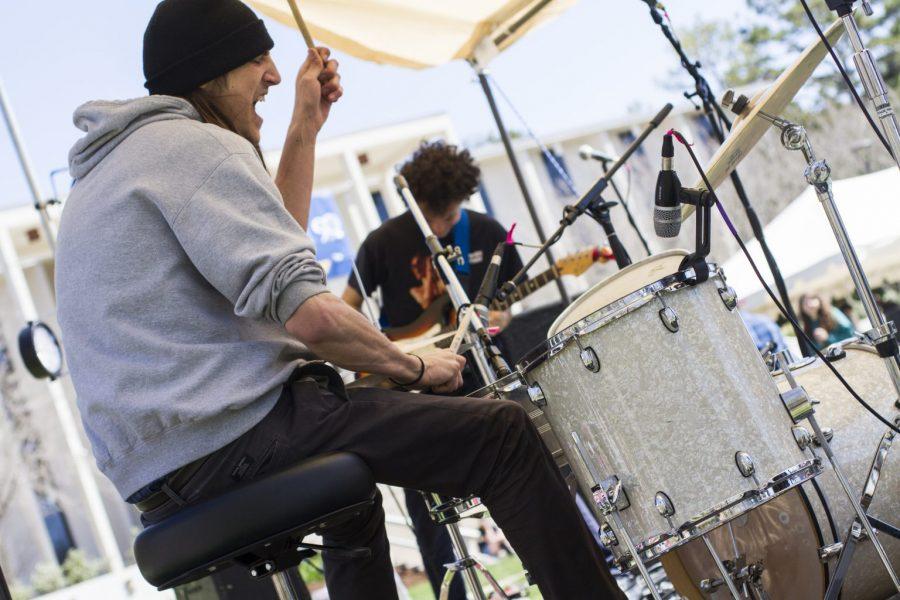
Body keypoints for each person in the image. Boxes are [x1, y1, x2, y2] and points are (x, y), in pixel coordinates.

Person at [53, 2, 624, 599]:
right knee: (501, 432)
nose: (274, 75)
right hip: (234, 434)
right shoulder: (194, 148)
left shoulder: (109, 176)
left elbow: (271, 246)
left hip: (160, 475)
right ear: (209, 72)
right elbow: (308, 315)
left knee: (349, 505)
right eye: (257, 59)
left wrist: (304, 127)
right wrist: (412, 366)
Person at [341, 141, 523, 599]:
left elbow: (507, 305)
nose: (441, 223)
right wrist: (384, 353)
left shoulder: (486, 233)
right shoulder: (383, 243)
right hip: (411, 387)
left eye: (449, 212)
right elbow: (348, 308)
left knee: (520, 469)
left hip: (480, 375)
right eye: (431, 212)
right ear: (415, 200)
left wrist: (496, 319)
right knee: (428, 507)